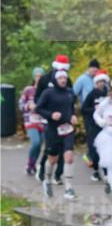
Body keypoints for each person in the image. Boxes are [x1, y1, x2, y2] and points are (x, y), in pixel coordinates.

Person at [35, 67, 78, 200]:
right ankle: (47, 181)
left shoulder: (70, 93)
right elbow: (38, 109)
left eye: (65, 78)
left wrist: (73, 116)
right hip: (53, 130)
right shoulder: (48, 93)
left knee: (69, 157)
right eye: (60, 78)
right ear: (55, 79)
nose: (63, 80)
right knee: (52, 159)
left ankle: (69, 188)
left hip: (68, 129)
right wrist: (51, 114)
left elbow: (71, 108)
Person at [36, 55, 72, 183]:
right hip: (48, 119)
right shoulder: (45, 79)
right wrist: (49, 114)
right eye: (60, 73)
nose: (63, 78)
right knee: (50, 148)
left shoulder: (68, 81)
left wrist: (71, 114)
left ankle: (58, 175)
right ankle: (42, 171)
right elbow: (37, 99)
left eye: (65, 74)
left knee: (63, 147)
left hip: (64, 121)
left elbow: (71, 99)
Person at [80, 70, 109, 182]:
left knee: (105, 150)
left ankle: (106, 172)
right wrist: (94, 109)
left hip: (105, 126)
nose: (101, 84)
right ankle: (96, 171)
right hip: (93, 126)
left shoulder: (108, 94)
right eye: (98, 82)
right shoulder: (92, 94)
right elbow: (83, 109)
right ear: (95, 83)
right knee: (94, 150)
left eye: (103, 81)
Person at [19, 67, 45, 175]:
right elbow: (20, 104)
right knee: (35, 142)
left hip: (43, 120)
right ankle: (29, 164)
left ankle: (33, 164)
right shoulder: (28, 90)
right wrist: (28, 106)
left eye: (40, 76)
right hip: (30, 120)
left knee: (40, 145)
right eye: (37, 76)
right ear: (34, 77)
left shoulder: (46, 90)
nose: (38, 78)